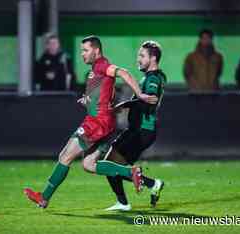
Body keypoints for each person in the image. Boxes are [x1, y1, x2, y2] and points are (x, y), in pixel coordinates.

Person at [24, 35, 158, 208]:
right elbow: (101, 93)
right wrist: (87, 99)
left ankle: (44, 197)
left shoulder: (102, 65)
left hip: (97, 123)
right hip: (105, 123)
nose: (82, 54)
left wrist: (139, 94)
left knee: (65, 156)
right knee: (88, 164)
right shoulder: (95, 69)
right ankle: (130, 172)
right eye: (82, 51)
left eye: (85, 50)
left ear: (96, 50)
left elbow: (123, 73)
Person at [82, 41, 166, 211]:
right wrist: (125, 105)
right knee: (113, 165)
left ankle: (129, 199)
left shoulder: (153, 79)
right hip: (138, 130)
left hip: (142, 130)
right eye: (139, 55)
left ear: (153, 58)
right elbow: (142, 100)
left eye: (142, 56)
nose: (139, 59)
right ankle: (147, 187)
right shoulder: (148, 77)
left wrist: (124, 105)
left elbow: (148, 103)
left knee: (109, 164)